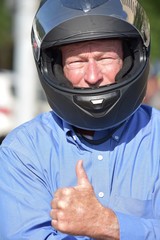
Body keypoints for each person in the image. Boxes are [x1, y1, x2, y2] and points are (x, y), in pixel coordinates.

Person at [0, 0, 160, 239]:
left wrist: (110, 225)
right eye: (77, 62)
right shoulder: (24, 150)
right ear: (57, 68)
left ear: (129, 60)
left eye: (105, 58)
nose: (93, 76)